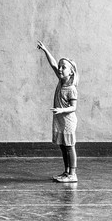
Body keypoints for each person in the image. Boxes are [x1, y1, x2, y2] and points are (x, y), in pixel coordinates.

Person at [37, 41, 79, 183]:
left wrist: (61, 109)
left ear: (71, 71)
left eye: (64, 67)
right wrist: (45, 50)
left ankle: (73, 174)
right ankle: (66, 172)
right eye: (60, 67)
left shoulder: (71, 88)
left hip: (67, 121)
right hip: (60, 120)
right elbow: (53, 64)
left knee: (69, 146)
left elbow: (73, 107)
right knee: (63, 146)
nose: (60, 69)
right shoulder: (60, 81)